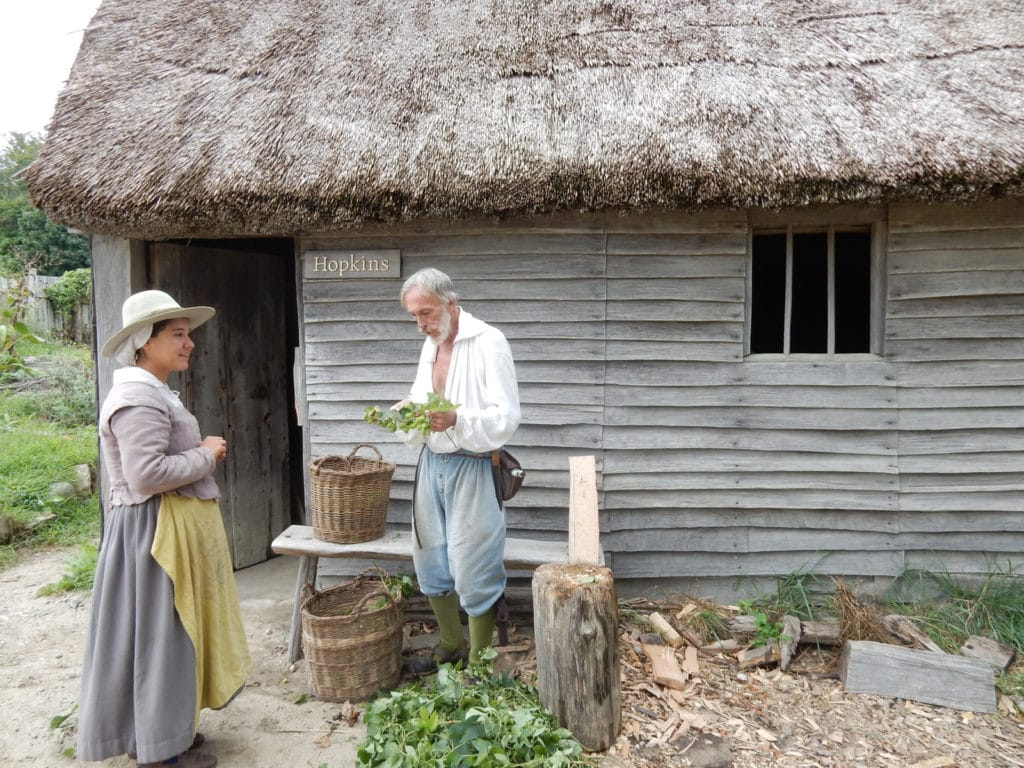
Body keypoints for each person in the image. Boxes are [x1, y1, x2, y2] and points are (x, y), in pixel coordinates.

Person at [77, 290, 251, 768]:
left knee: (169, 635)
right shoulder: (136, 397)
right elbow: (146, 475)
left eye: (187, 333)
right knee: (160, 636)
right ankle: (158, 755)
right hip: (151, 535)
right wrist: (207, 454)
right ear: (143, 342)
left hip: (160, 528)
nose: (189, 343)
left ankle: (162, 734)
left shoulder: (152, 389)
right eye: (177, 335)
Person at [395, 268, 521, 673]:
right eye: (414, 316)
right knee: (430, 557)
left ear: (450, 303)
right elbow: (421, 395)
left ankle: (479, 660)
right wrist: (408, 411)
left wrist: (457, 419)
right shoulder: (430, 346)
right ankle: (450, 642)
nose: (421, 325)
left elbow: (507, 417)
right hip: (431, 464)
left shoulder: (489, 342)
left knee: (474, 561)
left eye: (426, 313)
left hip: (475, 465)